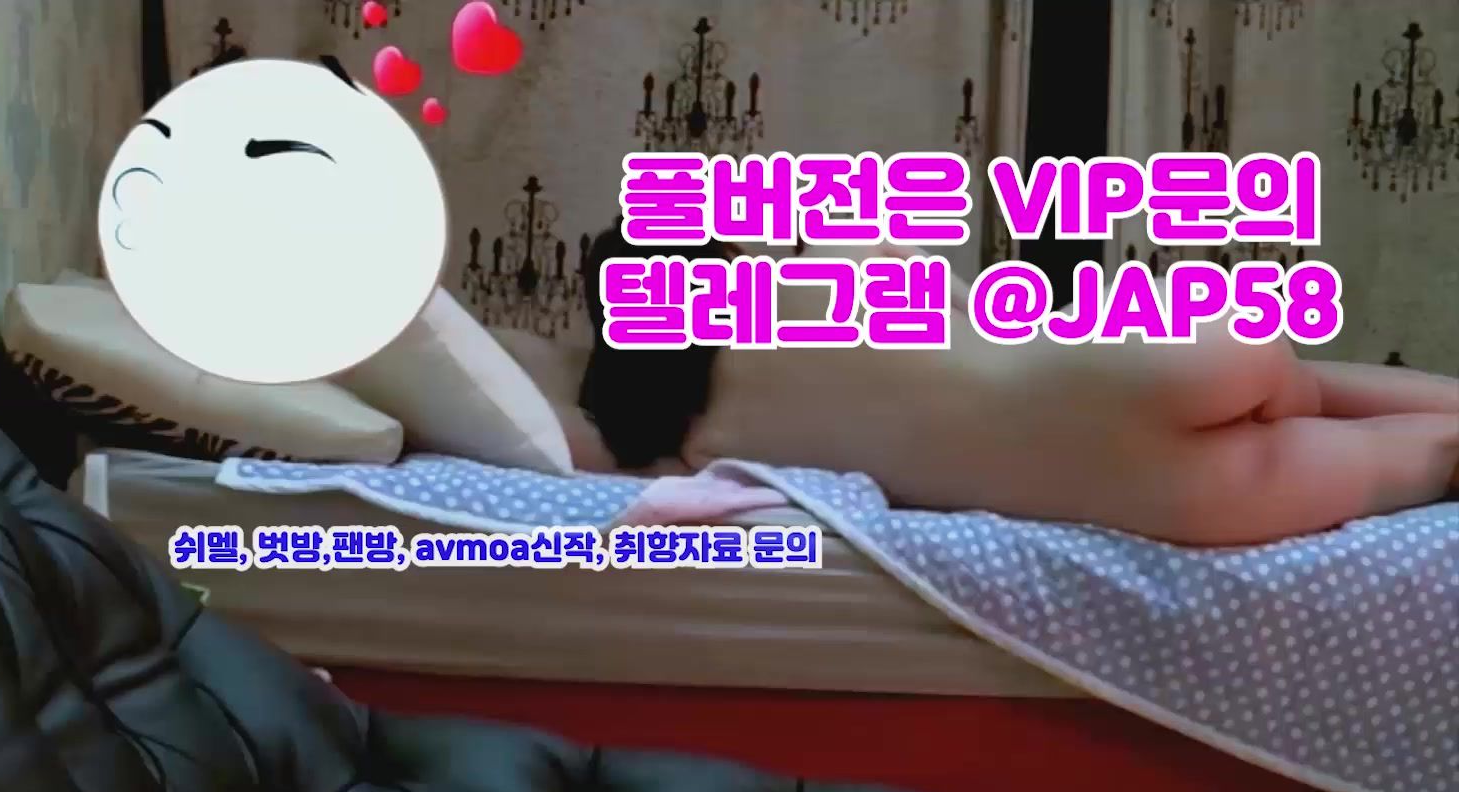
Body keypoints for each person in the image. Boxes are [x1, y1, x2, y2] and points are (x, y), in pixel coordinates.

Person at [580, 222, 1459, 546]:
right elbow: (980, 313)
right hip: (1154, 360)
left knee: (1427, 459)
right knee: (1298, 384)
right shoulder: (815, 273)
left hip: (1161, 490)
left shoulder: (708, 446)